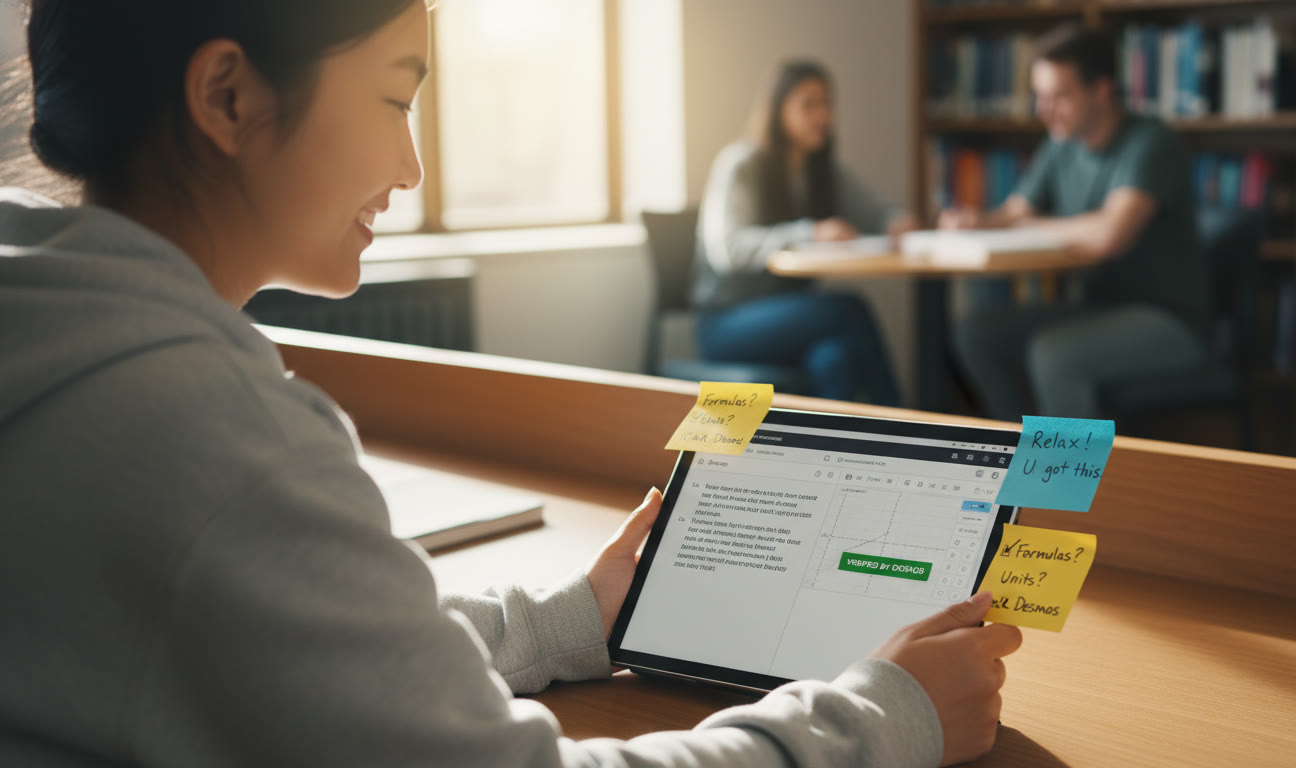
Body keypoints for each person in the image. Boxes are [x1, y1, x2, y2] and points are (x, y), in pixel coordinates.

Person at [0, 2, 1021, 766]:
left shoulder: (60, 331)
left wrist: (568, 615)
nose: (410, 167)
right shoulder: (219, 447)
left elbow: (296, 656)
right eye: (397, 96)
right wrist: (886, 717)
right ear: (226, 95)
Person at [942, 25, 1208, 421]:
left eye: (1058, 96)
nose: (1043, 110)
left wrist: (1028, 227)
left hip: (1168, 320)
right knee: (975, 334)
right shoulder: (1061, 143)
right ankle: (1022, 454)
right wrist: (979, 221)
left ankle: (1064, 480)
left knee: (1053, 353)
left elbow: (1110, 236)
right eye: (1039, 96)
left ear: (1101, 90)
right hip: (1097, 308)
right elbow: (1017, 210)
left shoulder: (1150, 143)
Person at [692, 60, 908, 406]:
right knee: (848, 308)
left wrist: (896, 221)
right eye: (809, 104)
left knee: (835, 358)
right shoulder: (741, 164)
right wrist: (810, 232)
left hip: (792, 321)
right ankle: (908, 429)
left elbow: (876, 211)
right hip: (730, 323)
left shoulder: (821, 171)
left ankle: (835, 457)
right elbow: (729, 249)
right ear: (778, 110)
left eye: (827, 104)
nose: (822, 115)